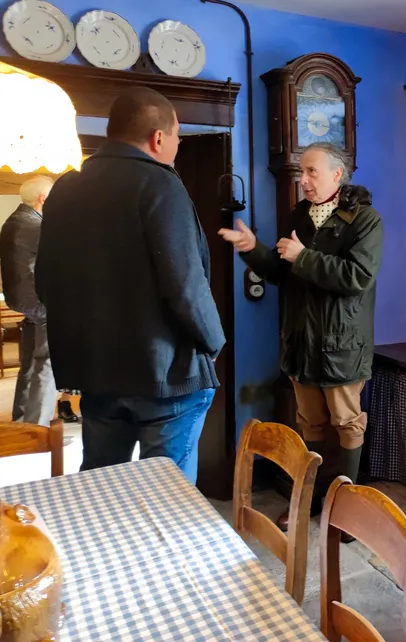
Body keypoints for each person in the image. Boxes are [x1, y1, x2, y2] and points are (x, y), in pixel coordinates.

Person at [36, 87, 225, 484]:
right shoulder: (160, 184)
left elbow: (45, 283)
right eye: (176, 137)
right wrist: (213, 342)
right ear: (159, 137)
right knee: (167, 497)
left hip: (95, 370)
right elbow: (186, 286)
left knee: (102, 487)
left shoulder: (65, 189)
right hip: (166, 375)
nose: (176, 145)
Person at [219, 142, 383, 532]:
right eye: (302, 172)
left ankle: (346, 512)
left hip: (341, 344)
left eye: (311, 172)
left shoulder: (365, 220)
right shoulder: (300, 215)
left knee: (347, 423)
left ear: (337, 175)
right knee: (309, 425)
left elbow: (357, 277)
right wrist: (251, 250)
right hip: (302, 342)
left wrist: (302, 257)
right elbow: (280, 270)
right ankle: (308, 499)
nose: (303, 180)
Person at [0, 176, 57, 426]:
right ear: (43, 199)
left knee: (29, 364)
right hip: (39, 302)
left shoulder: (13, 221)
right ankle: (38, 429)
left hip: (20, 299)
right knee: (48, 363)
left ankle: (22, 419)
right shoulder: (35, 225)